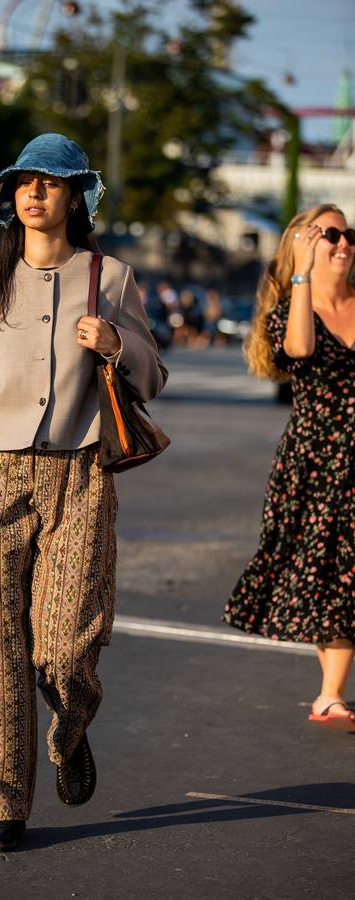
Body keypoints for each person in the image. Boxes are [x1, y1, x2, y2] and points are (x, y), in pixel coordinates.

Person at [0, 133, 168, 851]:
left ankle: (71, 729)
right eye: (25, 182)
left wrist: (117, 344)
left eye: (51, 182)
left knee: (64, 646)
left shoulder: (111, 278)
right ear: (11, 199)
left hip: (79, 475)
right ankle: (4, 806)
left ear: (75, 198)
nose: (36, 193)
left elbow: (154, 376)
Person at [222, 204, 355, 731]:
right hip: (316, 462)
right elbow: (299, 350)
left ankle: (330, 693)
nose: (343, 244)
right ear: (303, 243)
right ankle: (330, 693)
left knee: (346, 573)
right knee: (329, 573)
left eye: (350, 235)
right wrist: (301, 272)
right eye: (330, 235)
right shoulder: (290, 312)